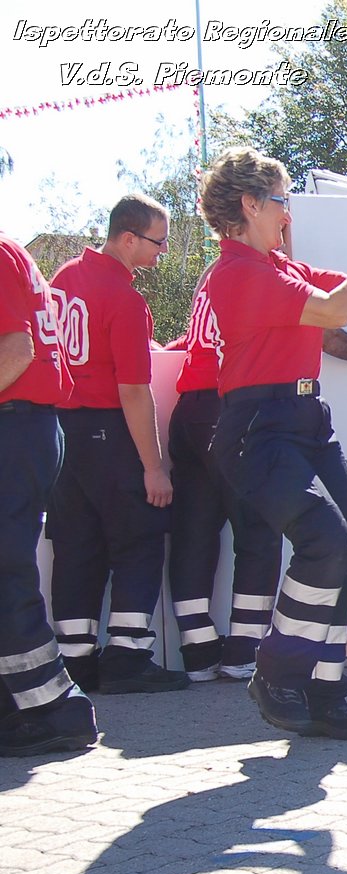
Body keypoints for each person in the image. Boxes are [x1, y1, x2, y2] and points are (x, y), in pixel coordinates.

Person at [201, 145, 347, 739]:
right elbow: (335, 310)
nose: (289, 214)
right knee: (323, 543)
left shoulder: (279, 268)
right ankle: (274, 673)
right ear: (250, 205)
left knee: (343, 556)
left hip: (306, 419)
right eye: (282, 200)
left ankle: (326, 693)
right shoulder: (235, 273)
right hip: (260, 425)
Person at [167, 257, 347, 682]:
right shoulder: (265, 274)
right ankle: (247, 649)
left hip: (190, 403)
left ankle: (197, 650)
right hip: (240, 407)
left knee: (195, 530)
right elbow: (327, 325)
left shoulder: (214, 273)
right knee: (260, 531)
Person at [46, 194, 189, 695]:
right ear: (128, 238)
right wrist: (154, 467)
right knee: (138, 537)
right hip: (107, 431)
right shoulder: (125, 300)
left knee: (75, 547)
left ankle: (74, 661)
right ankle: (129, 655)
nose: (162, 252)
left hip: (63, 434)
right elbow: (133, 390)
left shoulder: (63, 278)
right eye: (158, 241)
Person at [0, 230, 99, 757]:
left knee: (6, 571)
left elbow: (16, 349)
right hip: (28, 426)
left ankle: (54, 707)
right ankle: (22, 707)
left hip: (15, 425)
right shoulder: (12, 253)